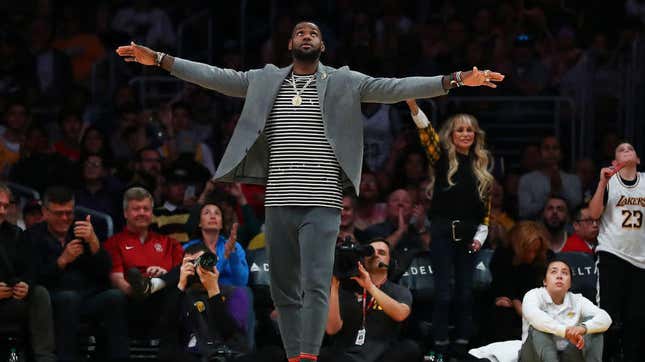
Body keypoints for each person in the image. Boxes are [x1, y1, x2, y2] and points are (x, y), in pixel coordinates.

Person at [116, 21, 504, 361]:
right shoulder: (264, 79)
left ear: (323, 47)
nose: (306, 35)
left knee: (317, 282)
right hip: (279, 200)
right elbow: (213, 76)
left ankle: (309, 358)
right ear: (290, 45)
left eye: (313, 33)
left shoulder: (345, 81)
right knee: (285, 286)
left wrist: (454, 79)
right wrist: (161, 59)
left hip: (323, 201)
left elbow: (396, 87)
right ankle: (294, 356)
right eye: (299, 32)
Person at [408, 99, 493, 359]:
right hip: (443, 234)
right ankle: (440, 346)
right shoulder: (441, 159)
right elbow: (426, 133)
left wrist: (480, 237)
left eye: (469, 130)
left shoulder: (482, 169)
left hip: (470, 237)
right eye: (460, 130)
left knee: (465, 295)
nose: (465, 134)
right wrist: (413, 105)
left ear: (475, 135)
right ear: (452, 135)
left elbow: (486, 213)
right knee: (443, 294)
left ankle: (462, 347)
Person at [24, 186, 128, 362]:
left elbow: (104, 271)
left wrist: (94, 243)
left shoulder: (81, 231)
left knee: (115, 296)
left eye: (69, 213)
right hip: (52, 299)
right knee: (68, 299)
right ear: (45, 212)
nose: (65, 219)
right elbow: (33, 278)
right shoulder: (31, 237)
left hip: (86, 297)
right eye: (58, 213)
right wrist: (62, 261)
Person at [588, 142, 645, 361]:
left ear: (637, 159)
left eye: (631, 148)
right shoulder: (610, 182)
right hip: (612, 254)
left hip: (641, 259)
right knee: (608, 316)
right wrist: (603, 181)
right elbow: (593, 214)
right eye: (621, 150)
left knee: (637, 319)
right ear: (614, 161)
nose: (626, 150)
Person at [321, 239, 420, 362]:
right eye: (371, 252)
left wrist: (370, 286)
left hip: (382, 356)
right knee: (324, 353)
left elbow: (400, 314)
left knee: (410, 348)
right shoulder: (345, 289)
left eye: (381, 253)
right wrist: (334, 286)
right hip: (346, 356)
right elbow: (331, 329)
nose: (375, 255)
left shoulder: (398, 290)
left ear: (391, 262)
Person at [103, 187, 184, 334]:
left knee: (188, 265)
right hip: (133, 302)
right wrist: (137, 292)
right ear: (125, 213)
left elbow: (182, 274)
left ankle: (155, 284)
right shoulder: (114, 243)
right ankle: (148, 286)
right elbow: (117, 280)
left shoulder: (169, 243)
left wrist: (164, 274)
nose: (141, 213)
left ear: (152, 213)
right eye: (136, 209)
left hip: (166, 301)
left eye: (146, 209)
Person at [0, 184, 56, 362]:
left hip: (10, 300)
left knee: (39, 293)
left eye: (5, 206)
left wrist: (26, 284)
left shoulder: (16, 234)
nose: (2, 211)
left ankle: (44, 358)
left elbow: (30, 268)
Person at [519, 259, 611, 361]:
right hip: (533, 356)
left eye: (564, 273)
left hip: (568, 354)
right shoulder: (533, 295)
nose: (559, 276)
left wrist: (583, 328)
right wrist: (565, 331)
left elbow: (605, 318)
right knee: (537, 327)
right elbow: (534, 316)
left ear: (570, 284)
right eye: (554, 272)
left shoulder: (578, 299)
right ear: (545, 281)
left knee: (594, 327)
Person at [490, 221, 552, 342]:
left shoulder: (543, 259)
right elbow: (501, 286)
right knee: (502, 310)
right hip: (508, 302)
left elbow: (541, 288)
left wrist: (522, 305)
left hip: (533, 303)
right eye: (529, 251)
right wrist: (514, 301)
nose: (532, 256)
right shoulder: (503, 255)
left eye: (535, 251)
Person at [183, 202, 248, 287]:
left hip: (229, 293)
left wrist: (233, 256)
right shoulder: (189, 248)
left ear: (221, 224)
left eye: (217, 213)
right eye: (207, 213)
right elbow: (197, 280)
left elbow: (242, 282)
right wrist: (225, 257)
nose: (213, 216)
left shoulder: (235, 247)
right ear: (199, 223)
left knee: (246, 292)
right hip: (200, 293)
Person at [518, 136, 582, 220]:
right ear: (539, 153)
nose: (551, 152)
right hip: (536, 230)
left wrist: (560, 189)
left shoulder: (574, 179)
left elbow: (577, 208)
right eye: (546, 148)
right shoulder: (526, 180)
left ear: (561, 154)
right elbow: (524, 211)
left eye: (555, 148)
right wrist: (548, 197)